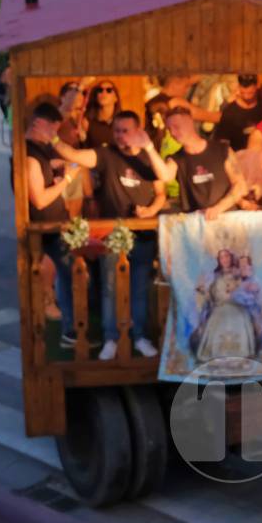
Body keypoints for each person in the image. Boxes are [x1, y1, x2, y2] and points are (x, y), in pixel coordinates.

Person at [52, 110, 165, 361]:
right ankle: (111, 337)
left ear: (138, 130)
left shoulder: (150, 158)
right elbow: (74, 155)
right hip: (112, 234)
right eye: (116, 131)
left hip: (143, 234)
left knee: (139, 287)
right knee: (110, 288)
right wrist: (53, 139)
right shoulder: (106, 154)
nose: (120, 136)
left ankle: (140, 337)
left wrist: (151, 210)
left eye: (125, 130)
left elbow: (161, 192)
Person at [24, 101, 88, 346]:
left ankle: (70, 328)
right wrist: (67, 180)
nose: (55, 135)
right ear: (40, 123)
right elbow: (39, 200)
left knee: (69, 273)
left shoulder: (38, 151)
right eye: (53, 129)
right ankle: (69, 331)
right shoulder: (30, 156)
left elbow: (47, 167)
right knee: (65, 273)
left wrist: (62, 166)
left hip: (56, 224)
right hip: (45, 226)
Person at [150, 106, 247, 219]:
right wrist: (149, 147)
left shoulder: (222, 149)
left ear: (190, 123)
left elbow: (241, 186)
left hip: (227, 219)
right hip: (196, 223)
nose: (173, 133)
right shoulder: (176, 158)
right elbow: (165, 176)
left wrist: (218, 208)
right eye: (170, 129)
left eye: (176, 127)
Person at [211, 74, 262, 150]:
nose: (246, 96)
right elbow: (223, 141)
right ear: (239, 87)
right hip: (238, 157)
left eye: (250, 93)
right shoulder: (230, 112)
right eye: (243, 92)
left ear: (257, 85)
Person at [82, 79, 121, 149]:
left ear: (116, 98)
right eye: (100, 90)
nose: (104, 93)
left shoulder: (123, 121)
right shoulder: (87, 122)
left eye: (109, 90)